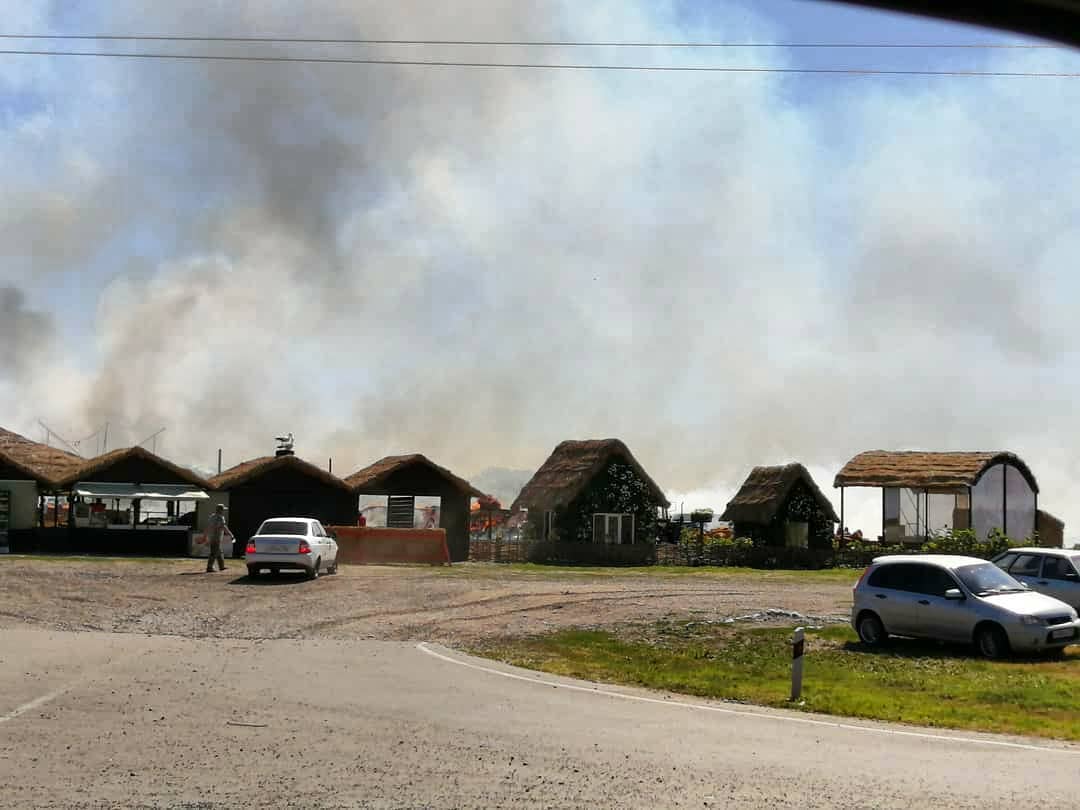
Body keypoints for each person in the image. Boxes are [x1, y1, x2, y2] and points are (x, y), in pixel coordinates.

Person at [205, 504, 234, 573]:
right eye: (223, 509)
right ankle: (209, 567)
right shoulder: (220, 517)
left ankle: (221, 566)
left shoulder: (212, 516)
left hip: (212, 536)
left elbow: (209, 527)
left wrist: (206, 535)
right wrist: (231, 535)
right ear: (220, 510)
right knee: (214, 553)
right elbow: (223, 527)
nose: (223, 511)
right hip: (217, 537)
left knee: (219, 552)